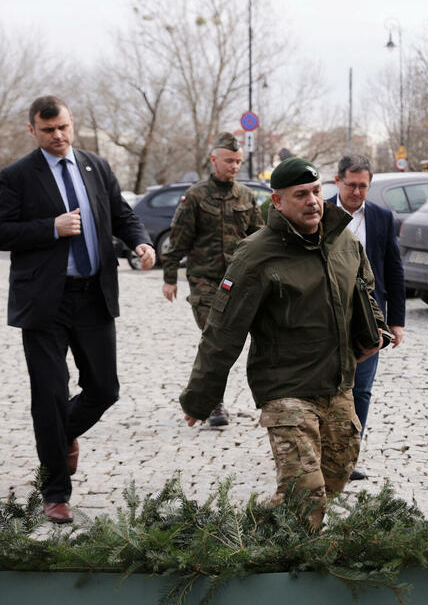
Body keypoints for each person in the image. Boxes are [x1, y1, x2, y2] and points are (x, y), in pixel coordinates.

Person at [179, 156, 385, 529]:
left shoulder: (344, 240)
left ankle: (254, 531)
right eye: (301, 194)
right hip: (286, 390)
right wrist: (200, 397)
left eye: (317, 191)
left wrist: (375, 332)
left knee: (335, 477)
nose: (313, 201)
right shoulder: (256, 255)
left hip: (337, 385)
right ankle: (291, 569)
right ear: (277, 201)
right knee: (306, 495)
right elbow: (222, 332)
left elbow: (365, 290)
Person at [0, 95, 155, 524]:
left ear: (73, 124)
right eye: (48, 130)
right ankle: (55, 493)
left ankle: (59, 434)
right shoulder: (16, 177)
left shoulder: (96, 166)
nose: (58, 136)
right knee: (48, 395)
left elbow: (122, 215)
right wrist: (50, 228)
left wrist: (141, 241)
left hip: (93, 295)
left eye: (63, 127)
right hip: (43, 302)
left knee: (105, 389)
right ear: (33, 130)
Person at [161, 132, 264, 426]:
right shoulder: (196, 195)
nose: (233, 166)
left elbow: (259, 237)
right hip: (204, 281)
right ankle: (214, 404)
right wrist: (170, 278)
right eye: (228, 160)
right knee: (214, 340)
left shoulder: (246, 196)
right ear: (213, 160)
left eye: (237, 161)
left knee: (240, 340)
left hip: (238, 281)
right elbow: (178, 239)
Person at [330, 155, 405, 481]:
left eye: (363, 186)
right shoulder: (319, 214)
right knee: (327, 388)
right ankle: (319, 453)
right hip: (327, 317)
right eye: (351, 185)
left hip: (369, 320)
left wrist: (396, 321)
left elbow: (394, 270)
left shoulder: (381, 218)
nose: (357, 191)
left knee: (361, 390)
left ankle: (348, 456)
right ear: (337, 181)